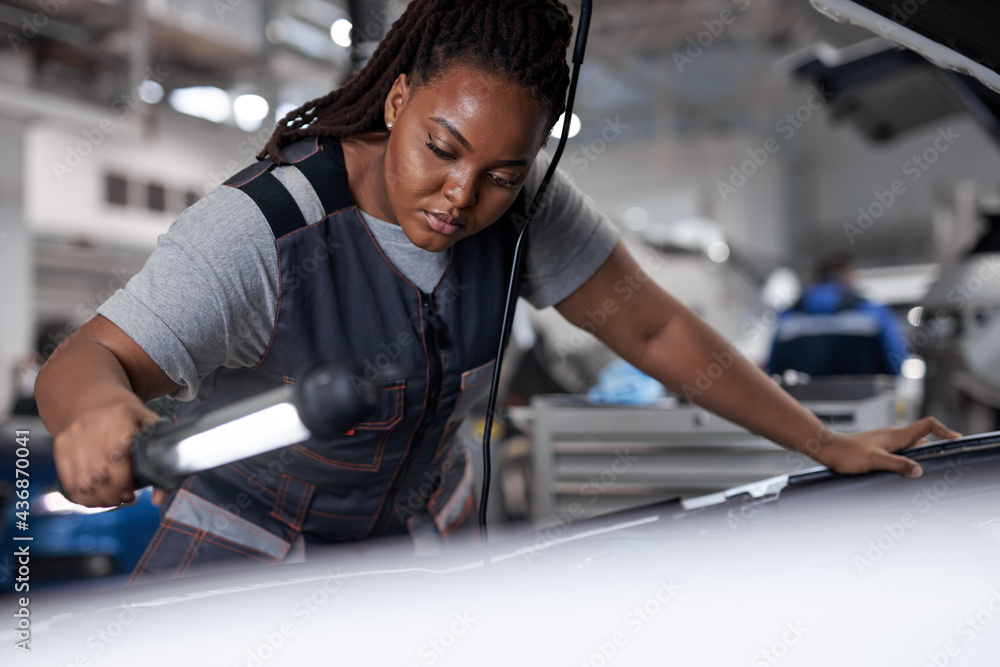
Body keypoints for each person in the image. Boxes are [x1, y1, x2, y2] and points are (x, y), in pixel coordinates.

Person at [35, 0, 957, 585]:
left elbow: (655, 327)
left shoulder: (524, 213)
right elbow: (88, 359)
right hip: (239, 575)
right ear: (397, 101)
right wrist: (97, 410)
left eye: (503, 173)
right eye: (442, 148)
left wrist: (822, 440)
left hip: (414, 559)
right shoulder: (265, 233)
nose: (461, 198)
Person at [769, 253, 910, 377]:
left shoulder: (787, 318)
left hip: (797, 403)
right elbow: (896, 364)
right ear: (849, 274)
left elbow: (772, 369)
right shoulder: (874, 313)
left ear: (817, 276)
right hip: (866, 402)